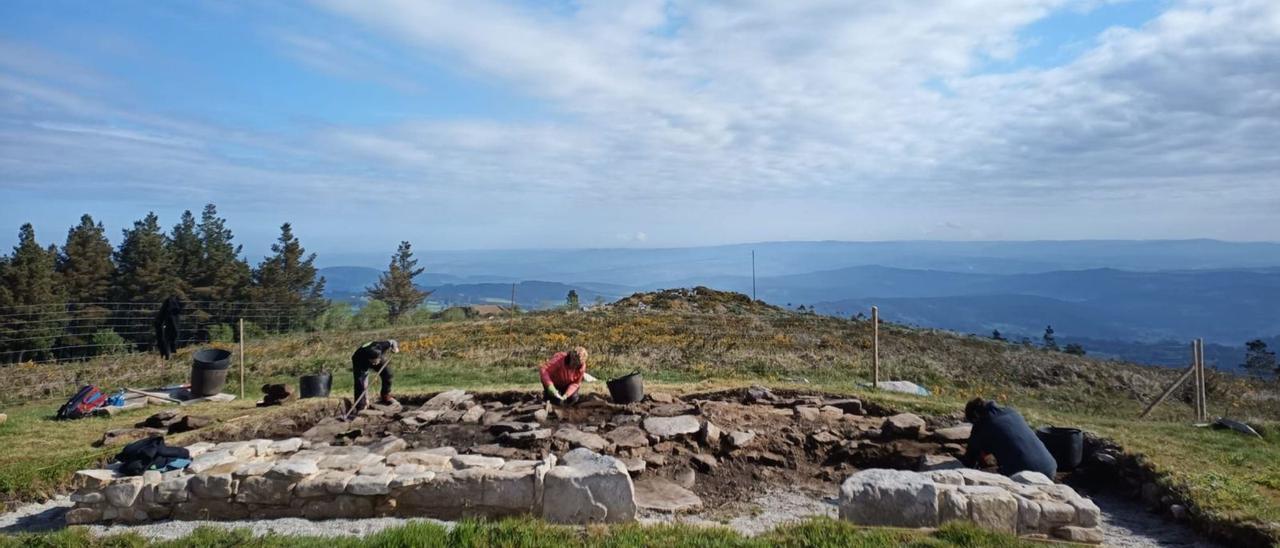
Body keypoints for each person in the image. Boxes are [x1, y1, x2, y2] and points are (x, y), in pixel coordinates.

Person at [962, 397, 1057, 478]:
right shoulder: (1011, 411)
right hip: (1050, 467)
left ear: (976, 416)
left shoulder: (982, 426)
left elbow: (969, 461)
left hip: (1025, 475)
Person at [351, 340, 398, 411]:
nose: (374, 364)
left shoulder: (382, 346)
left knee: (388, 373)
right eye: (373, 362)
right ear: (369, 359)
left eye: (376, 361)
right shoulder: (361, 360)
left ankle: (385, 394)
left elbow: (393, 341)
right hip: (359, 360)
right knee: (360, 384)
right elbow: (364, 381)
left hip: (375, 355)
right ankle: (361, 406)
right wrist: (366, 398)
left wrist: (395, 348)